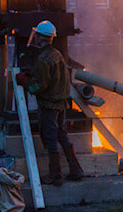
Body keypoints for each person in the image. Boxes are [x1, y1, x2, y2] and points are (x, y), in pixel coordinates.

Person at [16, 20, 83, 186]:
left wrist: (25, 82)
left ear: (40, 37)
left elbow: (40, 86)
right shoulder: (57, 54)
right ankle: (76, 170)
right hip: (61, 105)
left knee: (51, 138)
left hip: (49, 106)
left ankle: (56, 175)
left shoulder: (42, 59)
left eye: (37, 35)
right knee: (62, 136)